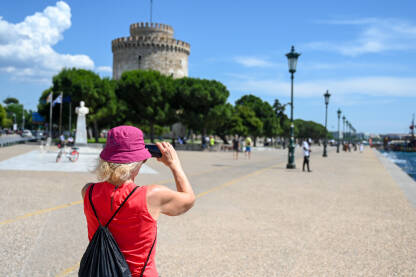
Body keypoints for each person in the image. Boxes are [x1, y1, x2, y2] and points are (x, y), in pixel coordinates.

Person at [81, 126, 195, 277]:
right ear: (137, 162)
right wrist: (174, 165)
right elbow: (188, 199)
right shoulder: (152, 196)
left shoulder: (88, 192)